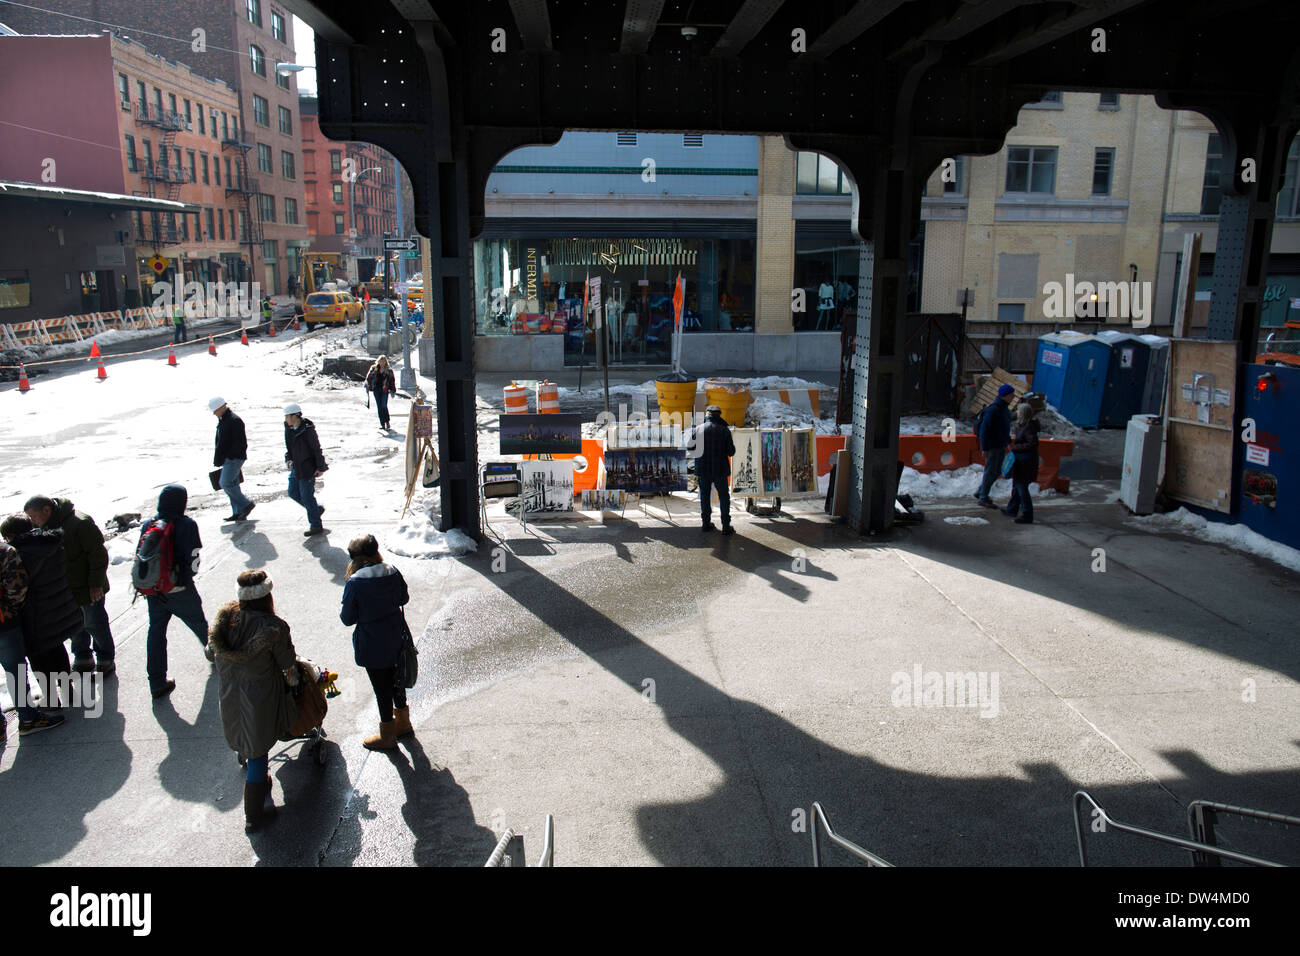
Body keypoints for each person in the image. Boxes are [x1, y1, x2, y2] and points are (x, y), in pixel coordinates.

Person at [208, 569, 299, 832]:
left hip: (229, 697)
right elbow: (287, 663)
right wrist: (295, 683)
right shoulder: (273, 628)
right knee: (258, 752)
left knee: (245, 741)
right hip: (259, 700)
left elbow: (208, 651)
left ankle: (250, 766)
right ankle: (253, 817)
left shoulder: (224, 623)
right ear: (267, 596)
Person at [23, 495, 115, 675]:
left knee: (94, 623)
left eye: (33, 517)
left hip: (89, 586)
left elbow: (98, 555)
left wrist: (95, 584)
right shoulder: (42, 527)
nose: (32, 521)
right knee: (73, 626)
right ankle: (83, 656)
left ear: (46, 510)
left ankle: (105, 657)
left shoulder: (79, 523)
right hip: (66, 589)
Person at [0, 514, 80, 711]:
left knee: (38, 655)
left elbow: (18, 587)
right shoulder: (51, 542)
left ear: (11, 535)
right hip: (57, 605)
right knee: (57, 646)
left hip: (34, 612)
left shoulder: (19, 553)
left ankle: (52, 700)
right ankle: (68, 690)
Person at [340, 534, 412, 750]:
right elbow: (404, 598)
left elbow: (347, 619)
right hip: (396, 636)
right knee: (398, 681)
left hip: (372, 643)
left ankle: (387, 735)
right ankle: (404, 723)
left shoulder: (355, 583)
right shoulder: (391, 570)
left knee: (382, 689)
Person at [141, 484, 210, 700]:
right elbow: (194, 555)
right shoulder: (187, 524)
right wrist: (188, 575)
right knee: (201, 626)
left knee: (156, 632)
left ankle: (156, 682)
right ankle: (220, 659)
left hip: (154, 590)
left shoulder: (149, 524)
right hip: (179, 588)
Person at [0, 536, 65, 737]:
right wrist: (11, 610)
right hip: (4, 624)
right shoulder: (4, 551)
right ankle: (28, 719)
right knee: (15, 671)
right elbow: (17, 588)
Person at [283, 403, 328, 537]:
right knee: (292, 492)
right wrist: (288, 458)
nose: (285, 420)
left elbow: (316, 449)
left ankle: (316, 525)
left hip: (308, 468)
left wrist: (320, 467)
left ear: (294, 416)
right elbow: (289, 448)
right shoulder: (289, 429)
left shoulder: (308, 430)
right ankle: (316, 510)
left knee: (307, 497)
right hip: (296, 467)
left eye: (287, 417)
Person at [210, 398, 255, 522]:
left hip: (234, 458)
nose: (214, 413)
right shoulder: (225, 420)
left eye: (215, 411)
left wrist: (229, 456)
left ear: (221, 407)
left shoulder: (234, 420)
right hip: (230, 458)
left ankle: (245, 504)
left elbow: (240, 443)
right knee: (233, 484)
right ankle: (238, 512)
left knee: (225, 483)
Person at [695, 404, 736, 535]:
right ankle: (725, 525)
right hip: (720, 469)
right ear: (719, 415)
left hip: (703, 469)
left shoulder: (698, 429)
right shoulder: (724, 430)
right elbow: (731, 452)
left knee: (705, 496)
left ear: (707, 415)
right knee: (724, 497)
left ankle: (705, 523)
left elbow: (691, 449)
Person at [974, 384, 1014, 508]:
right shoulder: (994, 410)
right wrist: (984, 448)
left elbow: (1004, 429)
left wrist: (1008, 442)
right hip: (992, 446)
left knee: (996, 471)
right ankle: (983, 497)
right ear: (1005, 395)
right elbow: (984, 430)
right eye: (1011, 394)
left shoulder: (1004, 409)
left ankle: (981, 492)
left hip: (1000, 445)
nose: (1013, 397)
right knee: (991, 471)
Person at [1003, 402, 1041, 525]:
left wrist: (1016, 447)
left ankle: (1027, 514)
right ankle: (1012, 509)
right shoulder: (1023, 425)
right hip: (1021, 462)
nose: (1017, 412)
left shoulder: (1028, 427)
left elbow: (1032, 444)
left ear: (1023, 413)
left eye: (1019, 411)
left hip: (1025, 463)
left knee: (1021, 488)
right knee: (1017, 486)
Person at [364, 356, 397, 430]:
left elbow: (392, 381)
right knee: (379, 407)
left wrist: (393, 390)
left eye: (383, 361)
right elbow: (368, 378)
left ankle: (387, 421)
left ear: (386, 362)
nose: (382, 363)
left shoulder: (389, 371)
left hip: (385, 390)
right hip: (376, 390)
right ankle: (382, 424)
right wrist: (367, 385)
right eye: (380, 361)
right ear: (378, 361)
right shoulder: (374, 369)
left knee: (384, 405)